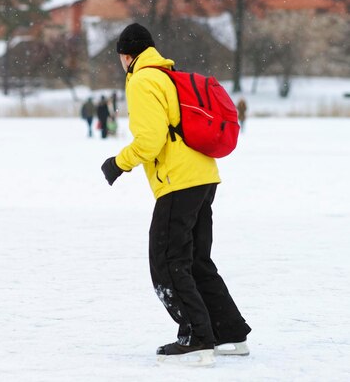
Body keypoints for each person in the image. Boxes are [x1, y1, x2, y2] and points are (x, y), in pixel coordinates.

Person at [100, 23, 251, 365]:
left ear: (126, 56)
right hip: (204, 176)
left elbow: (150, 141)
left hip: (179, 181)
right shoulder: (169, 74)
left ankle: (196, 337)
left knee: (167, 261)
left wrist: (117, 163)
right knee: (196, 260)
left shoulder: (141, 79)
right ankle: (229, 333)